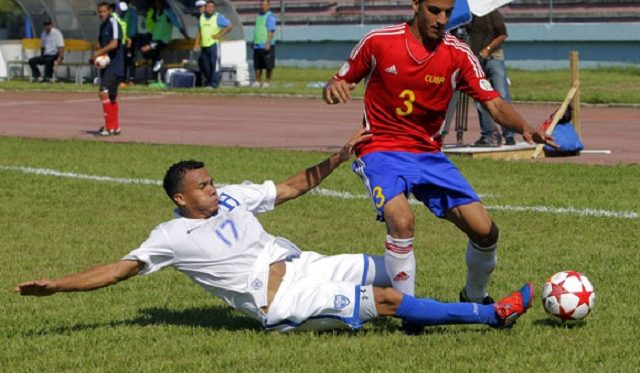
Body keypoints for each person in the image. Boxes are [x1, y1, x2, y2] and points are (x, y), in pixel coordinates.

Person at [14, 130, 533, 333]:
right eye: (202, 187)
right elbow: (117, 270)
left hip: (307, 262)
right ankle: (488, 314)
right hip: (281, 298)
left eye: (212, 181)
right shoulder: (168, 237)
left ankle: (423, 319)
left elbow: (289, 188)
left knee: (392, 269)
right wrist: (57, 285)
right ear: (180, 198)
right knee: (390, 299)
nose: (214, 190)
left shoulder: (234, 197)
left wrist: (338, 157)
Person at [322, 0, 555, 334]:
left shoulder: (457, 54)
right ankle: (409, 314)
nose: (442, 20)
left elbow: (493, 104)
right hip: (380, 148)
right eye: (434, 11)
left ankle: (474, 298)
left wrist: (524, 127)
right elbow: (338, 81)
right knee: (402, 220)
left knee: (486, 232)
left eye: (447, 12)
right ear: (415, 5)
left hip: (429, 156)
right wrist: (333, 88)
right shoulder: (378, 42)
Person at [467, 11, 516, 147]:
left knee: (502, 95)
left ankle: (509, 134)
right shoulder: (467, 16)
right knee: (479, 97)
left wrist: (488, 49)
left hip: (494, 57)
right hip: (475, 59)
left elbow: (503, 34)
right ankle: (489, 134)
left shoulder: (493, 12)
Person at [92, 1, 125, 137]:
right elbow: (100, 41)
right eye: (99, 12)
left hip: (115, 64)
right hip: (107, 64)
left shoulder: (113, 22)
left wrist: (98, 54)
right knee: (111, 96)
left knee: (103, 93)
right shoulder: (103, 25)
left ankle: (108, 127)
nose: (101, 14)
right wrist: (98, 54)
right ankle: (115, 127)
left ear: (109, 11)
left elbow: (114, 43)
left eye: (104, 11)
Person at [194, 0, 233, 88]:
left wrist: (220, 34)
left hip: (214, 45)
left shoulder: (217, 17)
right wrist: (196, 43)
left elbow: (230, 25)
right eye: (208, 6)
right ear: (205, 7)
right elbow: (199, 31)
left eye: (212, 7)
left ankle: (214, 84)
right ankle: (209, 82)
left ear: (214, 8)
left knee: (215, 65)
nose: (210, 8)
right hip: (204, 45)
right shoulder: (202, 17)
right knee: (205, 66)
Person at [28, 18, 64, 83]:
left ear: (51, 25)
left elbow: (61, 47)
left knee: (49, 60)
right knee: (31, 61)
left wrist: (59, 58)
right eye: (45, 25)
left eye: (48, 24)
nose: (47, 26)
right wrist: (42, 56)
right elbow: (42, 47)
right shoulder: (43, 34)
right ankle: (38, 77)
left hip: (55, 54)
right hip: (46, 55)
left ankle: (48, 78)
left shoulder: (57, 33)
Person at [252, 0, 277, 88]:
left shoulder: (270, 16)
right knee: (257, 65)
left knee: (268, 65)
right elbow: (257, 30)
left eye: (265, 5)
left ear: (269, 5)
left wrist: (268, 42)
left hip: (266, 44)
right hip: (257, 44)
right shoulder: (258, 16)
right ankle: (258, 81)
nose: (263, 6)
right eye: (262, 4)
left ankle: (268, 81)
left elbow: (271, 30)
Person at [120, 0, 138, 85]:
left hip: (130, 39)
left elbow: (134, 26)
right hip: (121, 40)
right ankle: (122, 79)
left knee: (130, 59)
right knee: (122, 59)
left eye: (124, 0)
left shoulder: (132, 12)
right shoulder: (119, 12)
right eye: (121, 0)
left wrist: (130, 38)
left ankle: (131, 79)